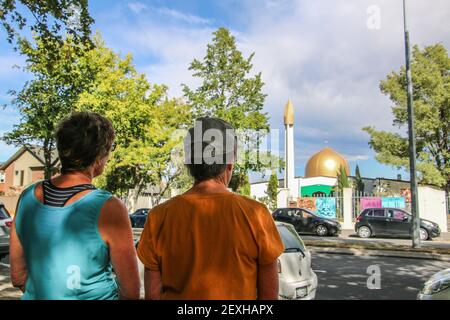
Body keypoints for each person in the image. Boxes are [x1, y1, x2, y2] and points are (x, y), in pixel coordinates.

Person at [137, 117, 284, 300]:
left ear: (189, 163)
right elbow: (269, 297)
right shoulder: (257, 215)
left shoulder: (158, 217)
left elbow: (153, 295)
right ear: (229, 163)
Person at [9, 112, 140, 300]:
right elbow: (131, 291)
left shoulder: (27, 197)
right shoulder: (109, 207)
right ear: (99, 157)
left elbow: (18, 276)